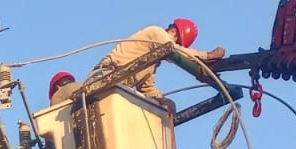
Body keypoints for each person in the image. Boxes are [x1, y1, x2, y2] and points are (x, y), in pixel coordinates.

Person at [83, 18, 225, 114]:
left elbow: (146, 88)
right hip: (102, 77)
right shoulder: (156, 32)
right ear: (173, 32)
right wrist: (206, 56)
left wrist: (162, 101)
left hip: (114, 87)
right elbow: (173, 49)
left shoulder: (149, 63)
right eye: (177, 43)